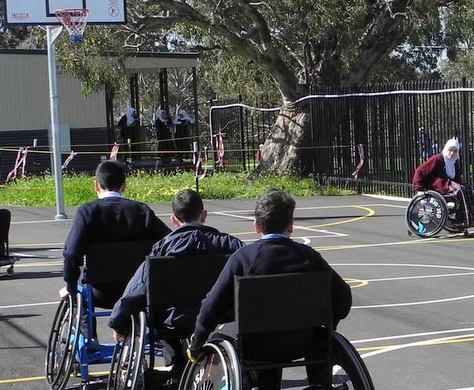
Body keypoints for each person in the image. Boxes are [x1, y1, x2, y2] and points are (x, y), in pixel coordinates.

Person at [190, 189, 352, 390]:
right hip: (304, 340)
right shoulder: (309, 257)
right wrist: (330, 324)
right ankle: (320, 384)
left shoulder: (243, 258)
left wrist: (196, 344)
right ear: (291, 226)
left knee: (222, 335)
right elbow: (343, 298)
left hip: (256, 346)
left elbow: (211, 308)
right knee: (319, 336)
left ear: (256, 226)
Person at [108, 189, 244, 381]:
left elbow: (136, 289)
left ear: (173, 219)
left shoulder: (162, 248)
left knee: (160, 313)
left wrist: (117, 321)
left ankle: (176, 365)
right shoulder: (229, 244)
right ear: (204, 215)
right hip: (217, 318)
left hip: (173, 321)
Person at [61, 160, 171, 309]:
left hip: (99, 291)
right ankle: (125, 327)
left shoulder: (87, 212)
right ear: (124, 186)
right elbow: (169, 242)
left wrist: (70, 286)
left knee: (80, 292)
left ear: (96, 186)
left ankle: (88, 330)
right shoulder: (141, 211)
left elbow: (72, 254)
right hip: (137, 289)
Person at [412, 138, 474, 226]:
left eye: (455, 151)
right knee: (460, 190)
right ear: (446, 149)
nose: (452, 153)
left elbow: (456, 179)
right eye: (450, 150)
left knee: (467, 188)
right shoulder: (437, 159)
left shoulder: (454, 162)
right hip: (436, 187)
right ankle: (465, 220)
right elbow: (420, 171)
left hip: (447, 185)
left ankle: (470, 217)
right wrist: (419, 188)